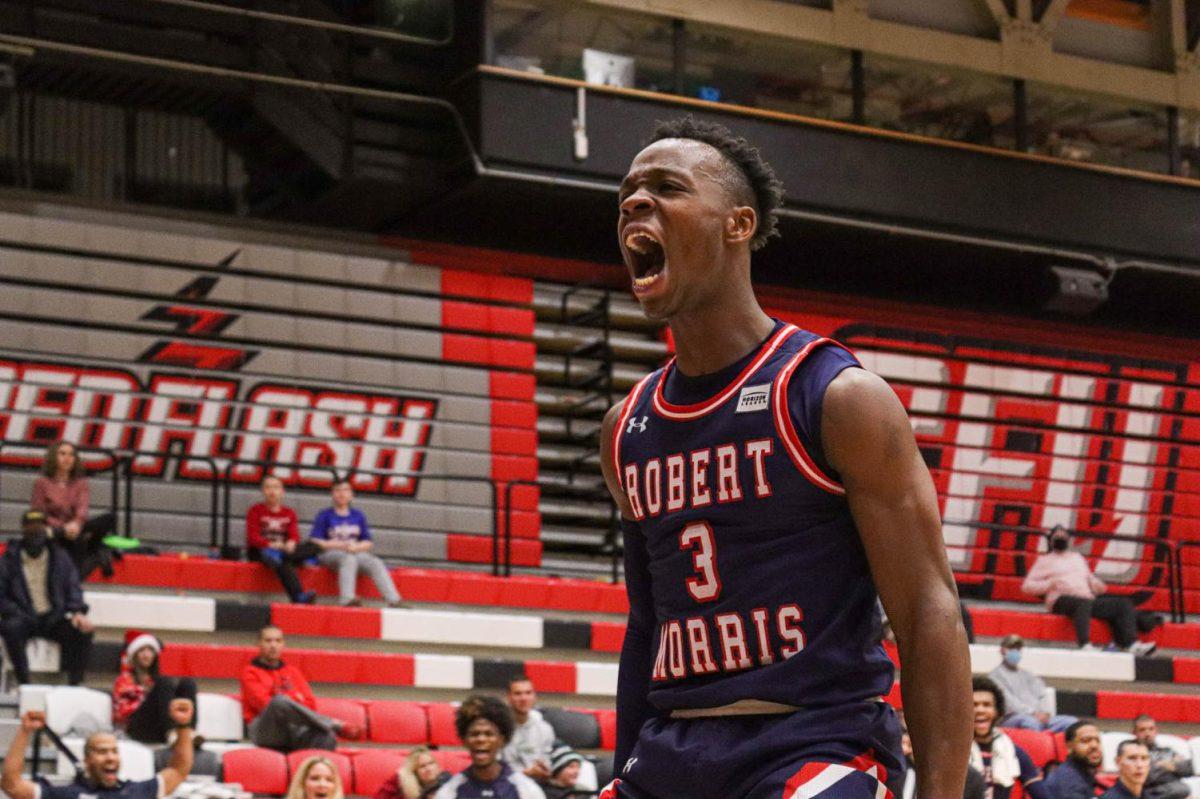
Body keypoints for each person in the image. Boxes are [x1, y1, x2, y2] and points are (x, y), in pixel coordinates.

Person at [598, 117, 971, 799]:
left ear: (738, 224)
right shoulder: (627, 425)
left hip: (812, 743)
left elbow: (927, 608)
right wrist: (625, 771)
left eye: (665, 187)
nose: (633, 203)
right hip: (673, 751)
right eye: (626, 193)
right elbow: (645, 624)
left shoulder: (836, 395)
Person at [1, 701, 194, 799]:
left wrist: (183, 725)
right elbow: (11, 785)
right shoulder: (70, 794)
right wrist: (24, 731)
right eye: (102, 752)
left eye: (114, 751)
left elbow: (179, 769)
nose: (110, 757)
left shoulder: (137, 791)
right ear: (87, 760)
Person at [1021, 525, 1156, 655]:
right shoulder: (1045, 560)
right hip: (1060, 600)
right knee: (1082, 602)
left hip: (1086, 598)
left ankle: (1131, 644)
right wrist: (1050, 584)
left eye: (1063, 535)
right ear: (1051, 540)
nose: (1061, 538)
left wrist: (1095, 583)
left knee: (1123, 604)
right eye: (1057, 536)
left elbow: (1088, 577)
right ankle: (1085, 644)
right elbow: (1027, 586)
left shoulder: (1077, 558)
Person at [0, 510, 94, 685]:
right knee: (10, 628)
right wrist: (13, 611)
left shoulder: (60, 557)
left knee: (82, 631)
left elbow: (73, 587)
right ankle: (24, 682)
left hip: (53, 617)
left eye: (39, 528)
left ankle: (74, 685)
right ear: (23, 530)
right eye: (31, 528)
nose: (35, 532)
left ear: (46, 529)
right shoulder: (9, 558)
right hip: (23, 616)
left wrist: (77, 611)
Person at [240, 625, 363, 752]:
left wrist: (288, 700)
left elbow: (310, 705)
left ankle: (314, 768)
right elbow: (265, 704)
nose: (273, 645)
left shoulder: (293, 672)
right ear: (259, 644)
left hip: (293, 729)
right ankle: (333, 724)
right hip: (265, 731)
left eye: (278, 641)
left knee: (326, 737)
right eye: (268, 640)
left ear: (283, 644)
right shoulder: (250, 673)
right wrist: (294, 698)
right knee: (278, 702)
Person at [31, 440, 116, 579]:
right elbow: (38, 513)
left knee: (108, 518)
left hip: (77, 528)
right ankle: (96, 555)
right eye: (62, 454)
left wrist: (76, 524)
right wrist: (63, 528)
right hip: (55, 530)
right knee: (76, 539)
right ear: (53, 457)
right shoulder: (42, 483)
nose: (67, 458)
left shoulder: (81, 483)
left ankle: (92, 550)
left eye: (71, 455)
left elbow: (82, 509)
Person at [310, 481, 403, 607]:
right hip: (330, 554)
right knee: (348, 559)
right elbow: (315, 541)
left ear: (351, 495)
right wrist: (341, 546)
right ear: (332, 494)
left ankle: (394, 601)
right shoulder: (324, 515)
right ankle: (347, 600)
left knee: (375, 562)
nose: (342, 494)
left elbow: (368, 542)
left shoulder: (358, 515)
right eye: (338, 490)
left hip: (354, 552)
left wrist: (356, 547)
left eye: (345, 490)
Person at [434, 695, 545, 799]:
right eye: (474, 734)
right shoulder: (450, 792)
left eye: (489, 734)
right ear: (465, 740)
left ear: (502, 739)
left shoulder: (526, 790)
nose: (481, 740)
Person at [969, 677, 1049, 799]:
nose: (980, 710)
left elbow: (1040, 793)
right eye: (973, 705)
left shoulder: (1012, 749)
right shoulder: (952, 751)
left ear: (997, 712)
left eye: (987, 705)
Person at [112, 631, 198, 744]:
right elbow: (121, 714)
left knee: (188, 683)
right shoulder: (124, 680)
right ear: (134, 655)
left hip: (159, 725)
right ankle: (171, 731)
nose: (146, 655)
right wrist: (147, 694)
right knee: (165, 682)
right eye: (142, 651)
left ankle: (189, 731)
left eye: (150, 651)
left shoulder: (156, 680)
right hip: (136, 728)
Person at [246, 476, 319, 604]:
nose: (272, 491)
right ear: (263, 491)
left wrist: (291, 542)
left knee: (315, 546)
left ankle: (287, 558)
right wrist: (271, 544)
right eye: (268, 487)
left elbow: (294, 535)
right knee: (281, 559)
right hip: (261, 550)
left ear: (282, 491)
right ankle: (299, 596)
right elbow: (253, 538)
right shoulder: (255, 510)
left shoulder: (289, 512)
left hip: (282, 551)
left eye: (276, 487)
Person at [988, 634, 1078, 732]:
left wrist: (1045, 712)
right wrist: (1032, 713)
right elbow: (1009, 702)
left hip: (1040, 717)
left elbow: (1042, 694)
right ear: (1002, 650)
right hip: (1013, 718)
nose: (1015, 652)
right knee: (1030, 723)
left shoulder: (1028, 675)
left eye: (1018, 649)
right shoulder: (995, 676)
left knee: (1072, 722)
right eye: (1011, 648)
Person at [501, 676, 555, 781]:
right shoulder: (498, 728)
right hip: (507, 785)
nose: (524, 698)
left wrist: (545, 769)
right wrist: (526, 773)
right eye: (518, 694)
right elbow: (494, 769)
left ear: (534, 696)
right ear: (509, 697)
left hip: (539, 785)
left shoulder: (545, 728)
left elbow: (548, 760)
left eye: (528, 693)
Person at [1132, 714, 1193, 799]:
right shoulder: (1132, 753)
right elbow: (1146, 777)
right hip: (1149, 794)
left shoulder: (1166, 751)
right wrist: (1166, 766)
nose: (1147, 733)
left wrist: (1173, 767)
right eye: (1142, 730)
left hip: (1174, 792)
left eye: (1151, 729)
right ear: (1135, 733)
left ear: (1156, 731)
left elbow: (1190, 769)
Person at [1044, 720, 1104, 799]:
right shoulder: (1068, 782)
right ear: (1069, 747)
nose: (1094, 745)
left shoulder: (1081, 773)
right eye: (1085, 741)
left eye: (1097, 741)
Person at [374, 747, 450, 799]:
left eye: (431, 763)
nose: (429, 769)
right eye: (422, 766)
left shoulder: (447, 780)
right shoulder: (402, 780)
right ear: (414, 772)